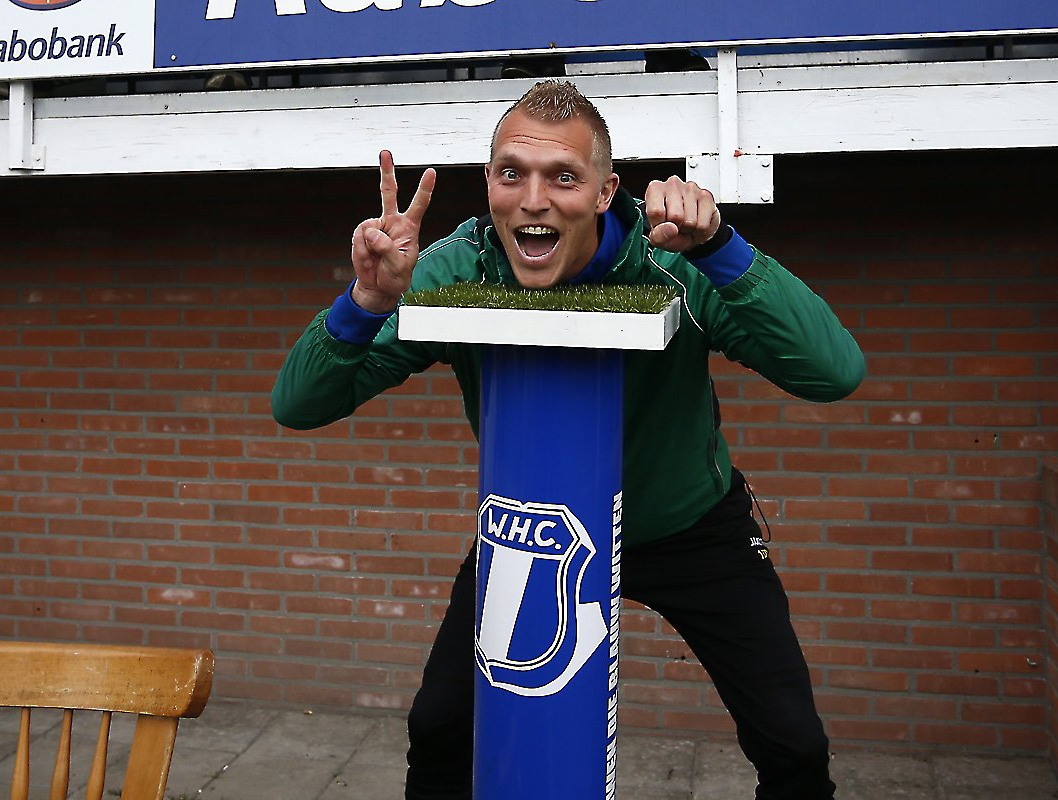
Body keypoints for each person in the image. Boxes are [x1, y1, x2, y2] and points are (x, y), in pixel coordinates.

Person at [271, 80, 865, 800]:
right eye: (512, 173)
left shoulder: (672, 260)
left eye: (563, 177)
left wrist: (721, 247)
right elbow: (298, 405)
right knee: (439, 727)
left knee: (793, 742)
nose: (534, 199)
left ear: (606, 191)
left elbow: (833, 372)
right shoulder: (456, 268)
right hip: (538, 533)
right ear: (489, 184)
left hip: (687, 528)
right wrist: (366, 300)